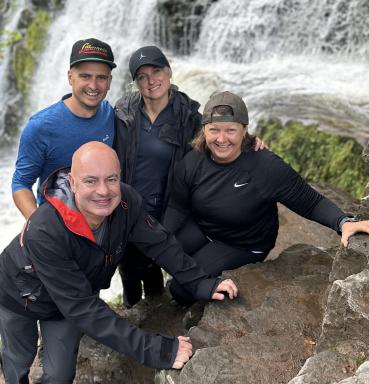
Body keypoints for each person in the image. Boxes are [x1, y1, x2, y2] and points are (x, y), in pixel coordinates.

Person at [0, 142, 238, 383]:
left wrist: (202, 283)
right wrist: (157, 350)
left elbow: (160, 243)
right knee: (19, 357)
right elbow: (83, 308)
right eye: (90, 180)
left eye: (111, 179)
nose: (103, 191)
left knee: (59, 375)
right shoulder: (45, 231)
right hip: (19, 295)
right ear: (72, 182)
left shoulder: (125, 202)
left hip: (67, 301)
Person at [162, 90, 369, 306]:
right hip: (205, 227)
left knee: (180, 290)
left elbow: (311, 201)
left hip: (241, 244)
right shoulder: (193, 161)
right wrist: (162, 236)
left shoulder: (265, 167)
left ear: (244, 130)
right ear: (204, 130)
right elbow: (177, 206)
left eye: (230, 130)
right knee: (160, 255)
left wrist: (343, 223)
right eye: (214, 130)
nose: (221, 139)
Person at [113, 47, 266, 308]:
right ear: (136, 82)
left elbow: (216, 139)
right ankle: (132, 319)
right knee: (129, 272)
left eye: (157, 71)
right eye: (142, 76)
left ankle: (155, 314)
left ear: (169, 72)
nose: (151, 80)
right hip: (127, 208)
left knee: (154, 266)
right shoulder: (123, 112)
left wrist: (249, 143)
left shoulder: (188, 116)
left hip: (165, 210)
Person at [11, 38, 116, 220]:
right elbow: (20, 183)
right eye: (85, 76)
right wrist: (36, 226)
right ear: (70, 77)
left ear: (109, 82)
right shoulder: (40, 126)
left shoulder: (111, 114)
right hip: (57, 226)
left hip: (102, 225)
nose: (93, 85)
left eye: (101, 78)